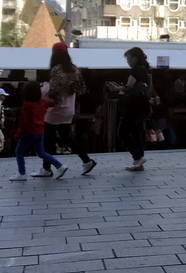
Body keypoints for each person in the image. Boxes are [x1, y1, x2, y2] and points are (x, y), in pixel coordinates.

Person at [35, 42, 96, 178]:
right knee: (66, 138)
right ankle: (87, 161)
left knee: (48, 140)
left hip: (55, 110)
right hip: (69, 109)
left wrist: (44, 88)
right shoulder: (74, 69)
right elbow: (81, 90)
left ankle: (46, 169)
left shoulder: (56, 70)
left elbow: (54, 91)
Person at [11, 81, 68, 181]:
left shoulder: (26, 105)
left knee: (19, 151)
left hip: (28, 132)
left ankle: (22, 173)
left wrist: (18, 134)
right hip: (40, 131)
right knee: (41, 152)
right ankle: (59, 166)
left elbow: (24, 122)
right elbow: (53, 103)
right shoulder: (42, 102)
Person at [109, 47, 153, 172]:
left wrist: (116, 88)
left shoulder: (135, 70)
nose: (127, 61)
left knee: (122, 132)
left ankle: (137, 157)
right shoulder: (146, 70)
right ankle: (138, 162)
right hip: (143, 107)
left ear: (135, 57)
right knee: (137, 132)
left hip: (133, 106)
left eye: (128, 58)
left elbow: (128, 87)